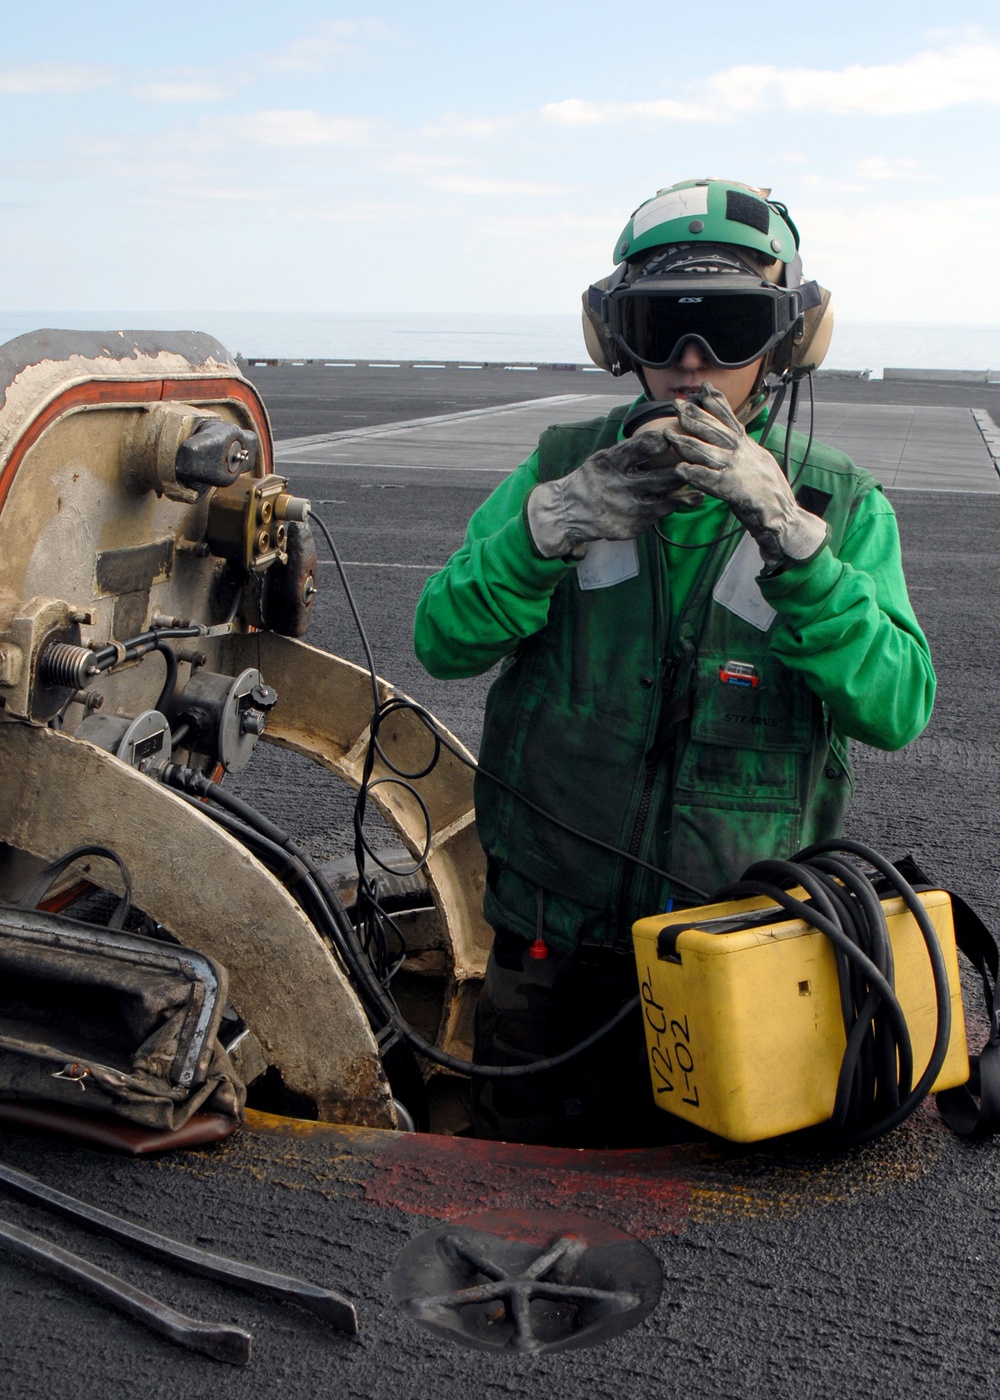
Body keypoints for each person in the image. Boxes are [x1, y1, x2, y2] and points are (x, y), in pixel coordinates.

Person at [413, 178, 935, 1148]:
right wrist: (548, 525)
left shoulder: (839, 503)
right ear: (620, 340)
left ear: (784, 341)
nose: (693, 366)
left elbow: (896, 703)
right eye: (664, 328)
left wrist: (795, 542)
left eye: (729, 329)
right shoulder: (559, 465)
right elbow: (444, 639)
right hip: (551, 952)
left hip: (737, 954)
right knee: (517, 1198)